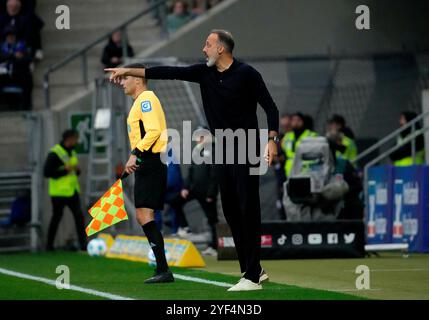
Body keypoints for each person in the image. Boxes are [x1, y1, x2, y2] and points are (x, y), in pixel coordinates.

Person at [105, 29, 279, 291]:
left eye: (208, 44)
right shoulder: (204, 73)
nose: (203, 49)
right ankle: (252, 269)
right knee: (230, 210)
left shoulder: (247, 74)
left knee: (248, 208)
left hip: (246, 147)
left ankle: (251, 277)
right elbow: (167, 71)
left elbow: (270, 107)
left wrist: (272, 139)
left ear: (221, 48)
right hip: (222, 148)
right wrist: (126, 69)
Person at [121, 62, 174, 284]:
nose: (122, 82)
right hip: (147, 162)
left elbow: (153, 131)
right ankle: (162, 268)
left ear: (137, 79)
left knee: (144, 215)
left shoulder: (146, 100)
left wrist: (135, 154)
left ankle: (163, 269)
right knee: (143, 215)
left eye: (126, 77)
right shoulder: (139, 102)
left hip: (150, 161)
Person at [169, 127, 219, 256]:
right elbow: (191, 172)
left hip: (206, 193)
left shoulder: (213, 150)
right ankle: (185, 227)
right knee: (175, 202)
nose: (198, 138)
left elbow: (215, 174)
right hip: (193, 190)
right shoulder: (196, 151)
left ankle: (214, 246)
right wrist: (185, 188)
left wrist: (211, 193)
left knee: (212, 219)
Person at [44, 129, 87, 251]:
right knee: (56, 218)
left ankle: (83, 245)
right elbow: (47, 172)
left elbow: (73, 171)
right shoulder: (54, 153)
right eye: (75, 138)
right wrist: (64, 170)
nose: (76, 141)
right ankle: (49, 246)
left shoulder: (72, 152)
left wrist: (76, 170)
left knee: (79, 216)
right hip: (59, 193)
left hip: (72, 191)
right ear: (69, 139)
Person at [281, 112, 317, 179]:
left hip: (307, 172)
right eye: (293, 120)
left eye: (298, 120)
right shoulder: (287, 136)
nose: (296, 122)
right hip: (290, 172)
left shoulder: (311, 135)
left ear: (303, 121)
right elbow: (282, 149)